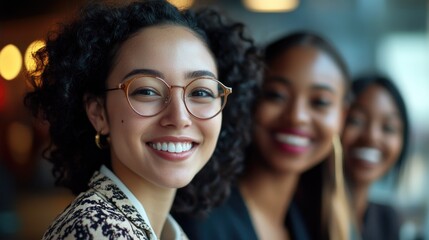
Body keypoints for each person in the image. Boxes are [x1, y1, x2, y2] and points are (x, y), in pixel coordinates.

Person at [24, 0, 261, 239]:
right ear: (99, 113)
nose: (179, 117)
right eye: (147, 91)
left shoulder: (162, 231)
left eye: (201, 92)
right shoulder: (95, 229)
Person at [176, 31, 352, 240]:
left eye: (320, 102)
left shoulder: (312, 225)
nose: (297, 117)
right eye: (276, 95)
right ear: (249, 99)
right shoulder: (199, 223)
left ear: (342, 116)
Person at [341, 74, 409, 240]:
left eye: (388, 128)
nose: (371, 137)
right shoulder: (299, 212)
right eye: (356, 120)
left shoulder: (387, 220)